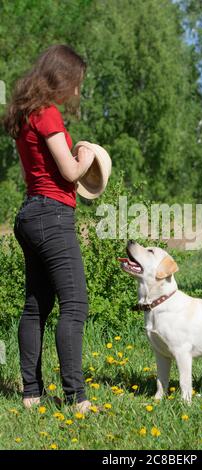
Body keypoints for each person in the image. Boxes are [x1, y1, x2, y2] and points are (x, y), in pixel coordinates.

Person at [4, 44, 95, 413]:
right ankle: (76, 399)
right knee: (75, 304)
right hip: (52, 215)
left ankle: (31, 394)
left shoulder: (25, 114)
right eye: (77, 83)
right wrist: (86, 156)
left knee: (36, 306)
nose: (77, 91)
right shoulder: (48, 114)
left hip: (28, 214)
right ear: (63, 77)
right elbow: (70, 172)